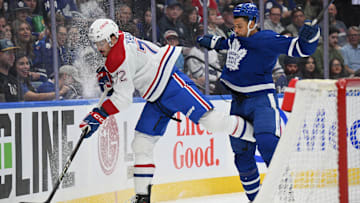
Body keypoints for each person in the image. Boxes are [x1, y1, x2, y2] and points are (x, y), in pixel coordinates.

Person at [79, 18, 255, 203]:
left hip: (171, 84)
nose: (98, 47)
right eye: (96, 43)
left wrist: (98, 115)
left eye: (101, 42)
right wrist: (108, 75)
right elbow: (126, 71)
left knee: (212, 121)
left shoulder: (117, 57)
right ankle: (142, 197)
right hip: (156, 95)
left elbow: (123, 99)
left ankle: (256, 134)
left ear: (113, 38)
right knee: (141, 143)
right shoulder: (120, 39)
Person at [197, 3, 319, 201]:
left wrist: (311, 35)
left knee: (267, 142)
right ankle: (256, 199)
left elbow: (302, 49)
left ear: (253, 23)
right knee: (242, 157)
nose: (235, 30)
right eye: (234, 26)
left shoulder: (267, 39)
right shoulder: (239, 36)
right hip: (237, 103)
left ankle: (287, 196)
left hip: (261, 101)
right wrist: (212, 42)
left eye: (239, 26)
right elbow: (228, 43)